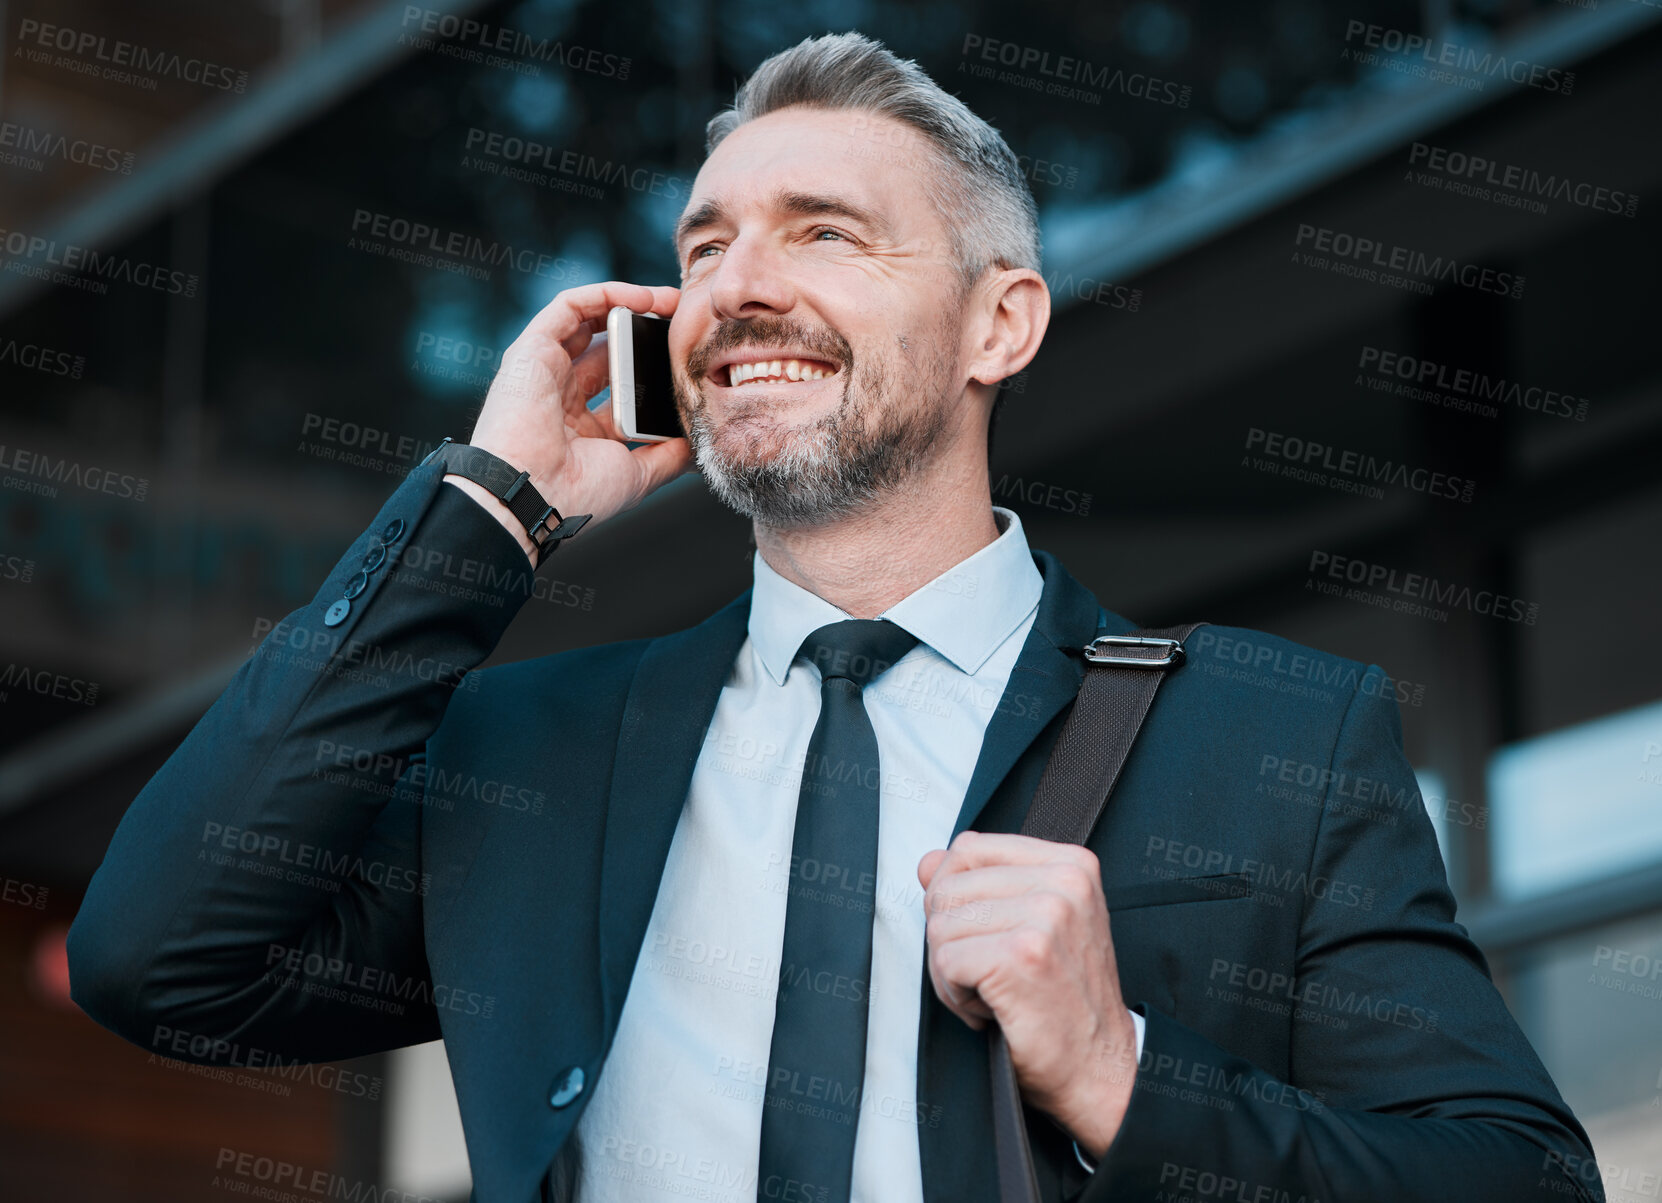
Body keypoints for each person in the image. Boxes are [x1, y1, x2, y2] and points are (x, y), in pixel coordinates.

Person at [68, 30, 1603, 1203]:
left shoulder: (1269, 733)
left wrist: (1120, 1071)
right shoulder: (535, 759)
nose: (737, 284)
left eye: (822, 231)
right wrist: (484, 514)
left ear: (998, 321)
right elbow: (164, 965)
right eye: (704, 245)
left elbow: (1513, 1178)